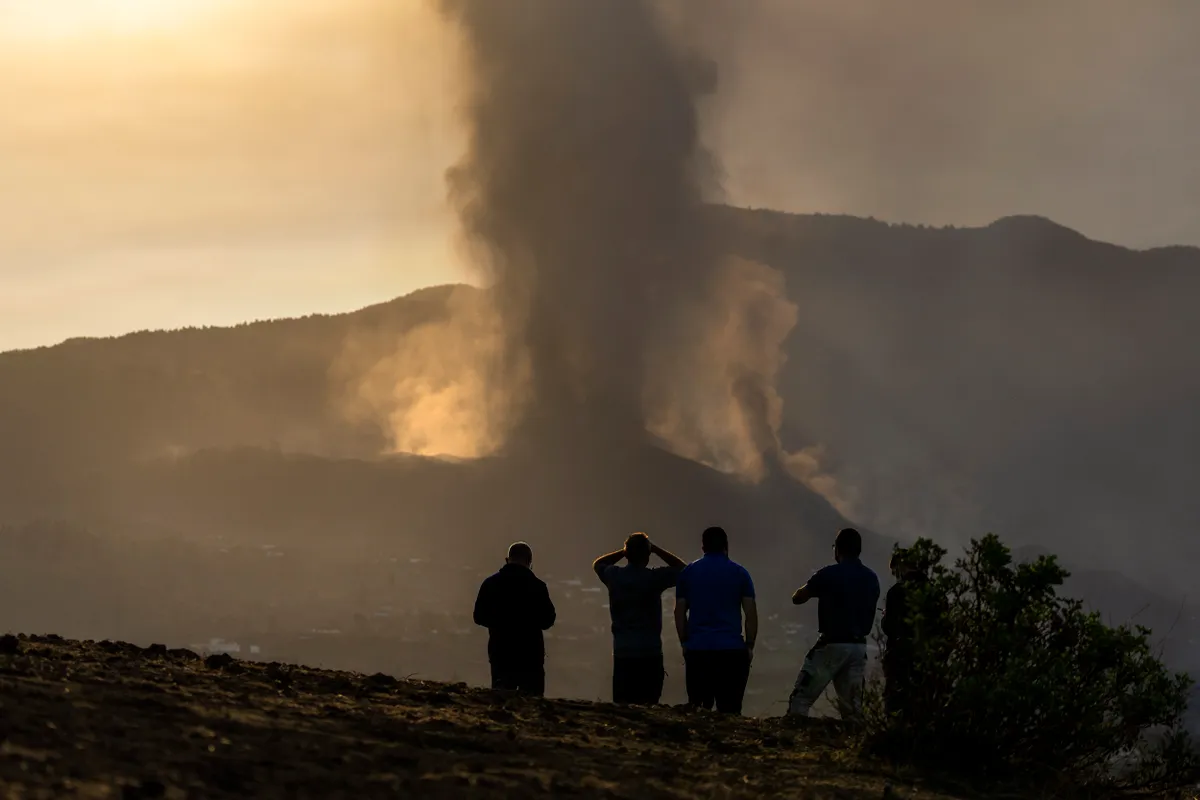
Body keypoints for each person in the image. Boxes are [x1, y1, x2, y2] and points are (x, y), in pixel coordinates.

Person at [787, 528, 880, 722]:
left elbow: (798, 598)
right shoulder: (872, 578)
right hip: (858, 648)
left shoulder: (828, 574)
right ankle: (854, 748)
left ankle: (794, 744)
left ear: (837, 549)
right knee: (853, 711)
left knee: (801, 700)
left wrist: (814, 587)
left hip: (831, 645)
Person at [592, 532, 687, 704]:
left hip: (623, 650)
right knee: (649, 704)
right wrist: (656, 550)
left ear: (628, 554)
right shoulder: (654, 578)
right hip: (649, 651)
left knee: (624, 705)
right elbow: (684, 570)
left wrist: (623, 552)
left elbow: (599, 563)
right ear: (647, 555)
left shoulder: (614, 576)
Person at [674, 526, 758, 714]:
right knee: (730, 711)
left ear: (703, 548)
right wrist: (750, 645)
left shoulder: (688, 573)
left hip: (698, 650)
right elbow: (750, 613)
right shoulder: (740, 573)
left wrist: (684, 642)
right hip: (731, 652)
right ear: (726, 546)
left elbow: (679, 613)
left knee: (698, 709)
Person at [472, 541, 556, 696]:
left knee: (501, 699)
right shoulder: (538, 586)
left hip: (500, 651)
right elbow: (548, 620)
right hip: (531, 654)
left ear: (507, 559)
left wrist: (499, 623)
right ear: (530, 562)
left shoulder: (491, 583)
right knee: (532, 703)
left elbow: (478, 616)